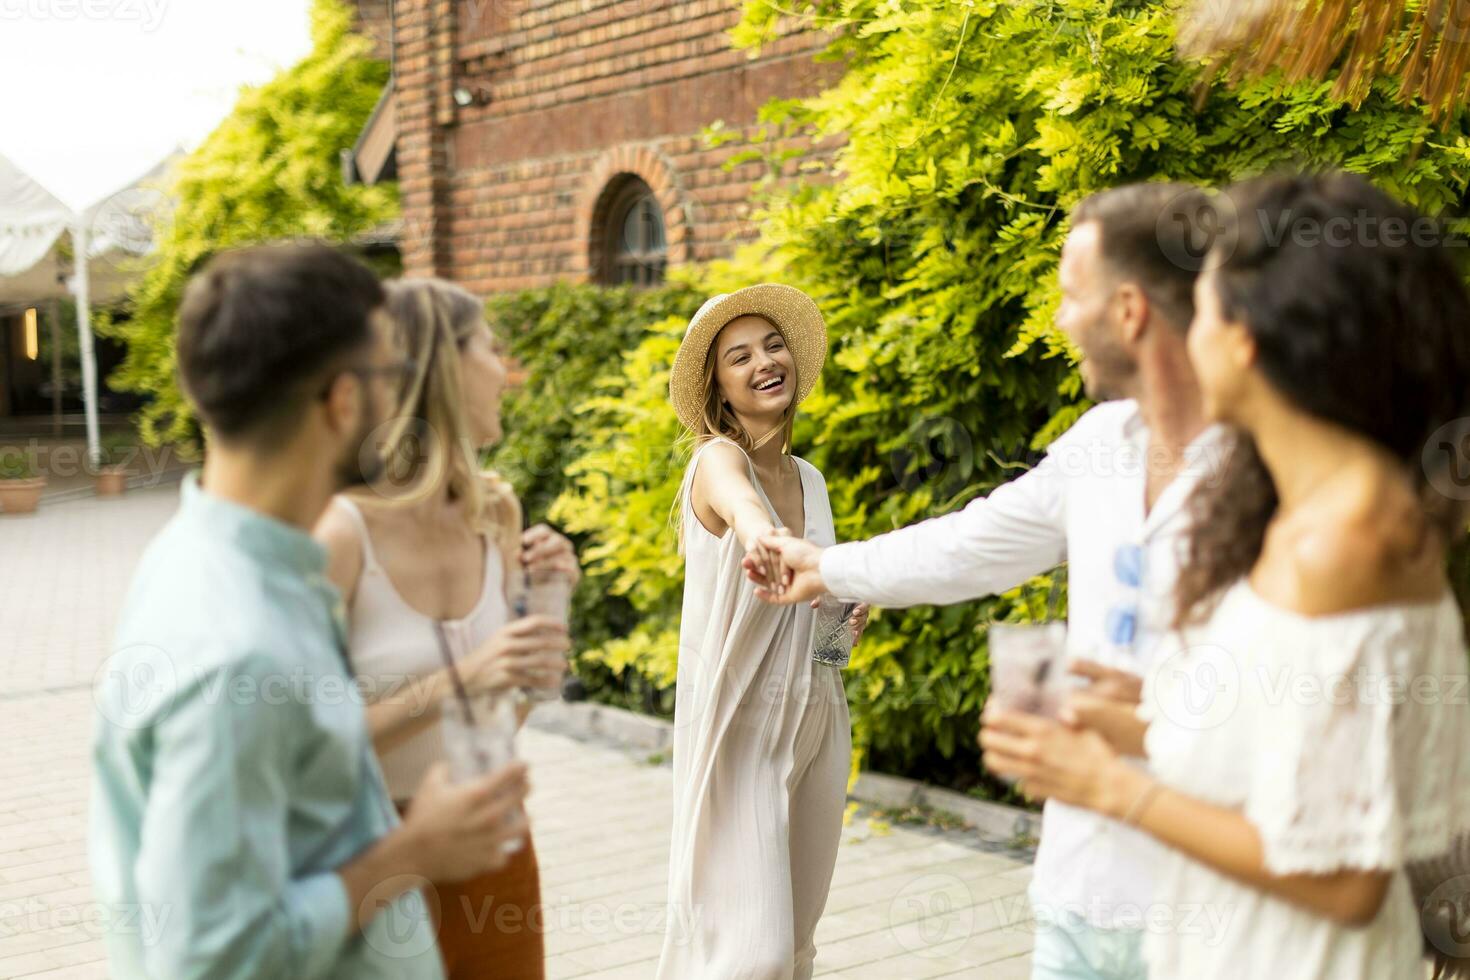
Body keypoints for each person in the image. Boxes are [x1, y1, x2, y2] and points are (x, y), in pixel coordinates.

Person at [980, 172, 1470, 979]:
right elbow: (1294, 751)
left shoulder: (1343, 545)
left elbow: (1344, 878)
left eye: (1200, 307)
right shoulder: (1327, 513)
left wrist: (1109, 787)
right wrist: (1142, 718)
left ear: (1246, 342)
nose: (1180, 332)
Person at [747, 184, 1220, 979]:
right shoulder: (1102, 443)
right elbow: (973, 543)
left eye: (1074, 297)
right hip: (1079, 891)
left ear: (1131, 310)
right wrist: (826, 568)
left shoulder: (1274, 471)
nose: (1063, 320)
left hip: (1210, 910)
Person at [90, 245, 529, 980]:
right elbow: (210, 957)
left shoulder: (226, 560)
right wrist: (416, 852)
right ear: (344, 401)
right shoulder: (236, 648)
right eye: (391, 375)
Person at [316, 276, 578, 980]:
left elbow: (513, 709)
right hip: (376, 857)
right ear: (443, 366)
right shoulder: (341, 534)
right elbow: (302, 745)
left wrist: (552, 606)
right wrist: (461, 678)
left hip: (496, 849)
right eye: (491, 348)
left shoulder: (497, 512)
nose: (505, 369)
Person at [654, 284, 869, 980]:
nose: (764, 361)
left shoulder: (813, 480)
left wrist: (844, 623)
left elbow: (823, 644)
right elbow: (747, 513)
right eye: (739, 356)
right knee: (753, 955)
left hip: (817, 723)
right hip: (739, 733)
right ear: (719, 387)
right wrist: (764, 538)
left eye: (773, 345)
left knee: (798, 947)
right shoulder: (717, 460)